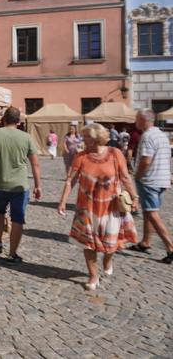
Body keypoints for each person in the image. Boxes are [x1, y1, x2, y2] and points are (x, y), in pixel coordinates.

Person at [58, 124, 139, 290]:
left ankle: (108, 259)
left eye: (86, 137)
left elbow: (125, 177)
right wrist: (63, 201)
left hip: (111, 207)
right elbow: (70, 180)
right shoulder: (81, 156)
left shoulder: (115, 154)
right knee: (87, 243)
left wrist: (134, 196)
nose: (83, 140)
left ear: (97, 137)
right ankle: (93, 275)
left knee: (111, 243)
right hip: (86, 208)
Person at [0, 107, 42, 263]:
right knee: (17, 219)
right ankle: (13, 253)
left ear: (4, 119)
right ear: (18, 122)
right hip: (20, 186)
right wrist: (38, 185)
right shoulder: (26, 137)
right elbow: (35, 164)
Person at [129, 109, 173, 263]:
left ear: (143, 120)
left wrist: (138, 176)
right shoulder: (161, 135)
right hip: (161, 179)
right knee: (148, 212)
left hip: (149, 180)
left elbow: (146, 160)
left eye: (136, 119)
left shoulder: (147, 136)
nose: (135, 122)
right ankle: (145, 243)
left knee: (152, 214)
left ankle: (170, 247)